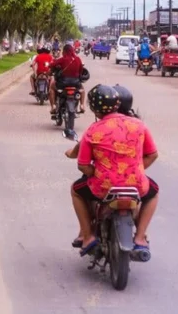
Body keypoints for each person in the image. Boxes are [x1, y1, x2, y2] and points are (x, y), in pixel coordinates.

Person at [65, 85, 159, 257]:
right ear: (118, 104)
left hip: (103, 187)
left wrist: (95, 171)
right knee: (154, 193)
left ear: (93, 108)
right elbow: (152, 154)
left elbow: (83, 165)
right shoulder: (139, 125)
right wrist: (135, 169)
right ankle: (140, 238)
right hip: (136, 185)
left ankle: (87, 237)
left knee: (76, 190)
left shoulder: (92, 130)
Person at [49, 44, 86, 115]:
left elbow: (52, 65)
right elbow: (81, 71)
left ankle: (53, 106)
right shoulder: (78, 59)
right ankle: (82, 105)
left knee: (52, 87)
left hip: (63, 83)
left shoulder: (63, 59)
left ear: (64, 51)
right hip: (76, 83)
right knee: (82, 90)